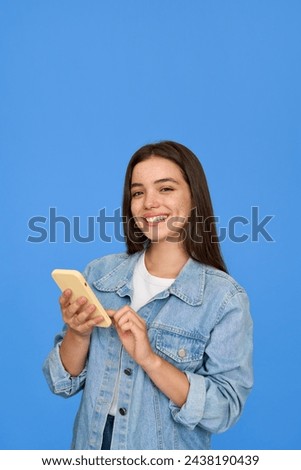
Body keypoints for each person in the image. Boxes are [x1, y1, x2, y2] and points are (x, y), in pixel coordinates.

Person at [43, 141, 253, 450]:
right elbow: (61, 383)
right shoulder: (100, 276)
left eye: (165, 189)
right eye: (138, 192)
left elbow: (224, 409)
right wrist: (78, 332)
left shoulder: (224, 298)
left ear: (194, 197)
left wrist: (150, 360)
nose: (149, 203)